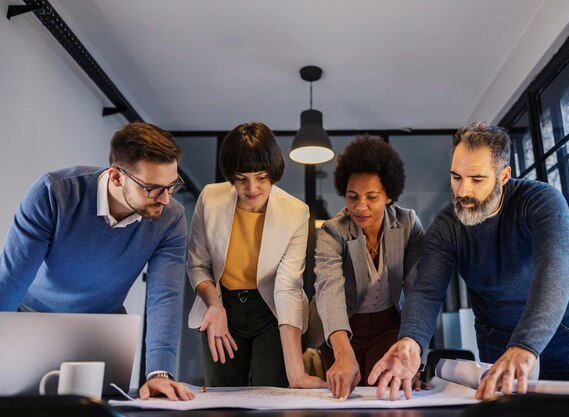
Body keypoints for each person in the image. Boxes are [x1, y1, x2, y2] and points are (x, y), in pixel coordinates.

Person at [369, 122, 569, 400]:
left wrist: (526, 345)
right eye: (456, 177)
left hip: (563, 331)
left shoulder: (543, 202)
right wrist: (410, 340)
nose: (463, 191)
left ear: (503, 175)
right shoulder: (446, 226)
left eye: (477, 179)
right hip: (496, 336)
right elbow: (426, 291)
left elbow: (555, 272)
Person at [0, 122, 193, 401]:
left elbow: (165, 296)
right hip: (31, 319)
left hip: (101, 331)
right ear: (116, 177)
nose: (165, 199)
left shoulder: (170, 218)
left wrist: (159, 372)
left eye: (171, 185)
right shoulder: (55, 194)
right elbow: (12, 278)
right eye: (153, 188)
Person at [187, 122, 325, 389]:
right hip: (221, 307)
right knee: (222, 400)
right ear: (231, 176)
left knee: (271, 397)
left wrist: (297, 373)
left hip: (272, 313)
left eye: (262, 177)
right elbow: (198, 265)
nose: (252, 189)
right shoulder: (209, 199)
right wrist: (214, 306)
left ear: (273, 173)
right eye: (242, 179)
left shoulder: (296, 213)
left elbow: (287, 287)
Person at [312, 136, 424, 400]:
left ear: (388, 196)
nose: (360, 206)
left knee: (383, 394)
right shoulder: (332, 231)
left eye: (371, 197)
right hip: (340, 328)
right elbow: (329, 291)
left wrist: (413, 356)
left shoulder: (408, 224)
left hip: (387, 326)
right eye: (352, 197)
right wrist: (342, 353)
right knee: (344, 396)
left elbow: (419, 292)